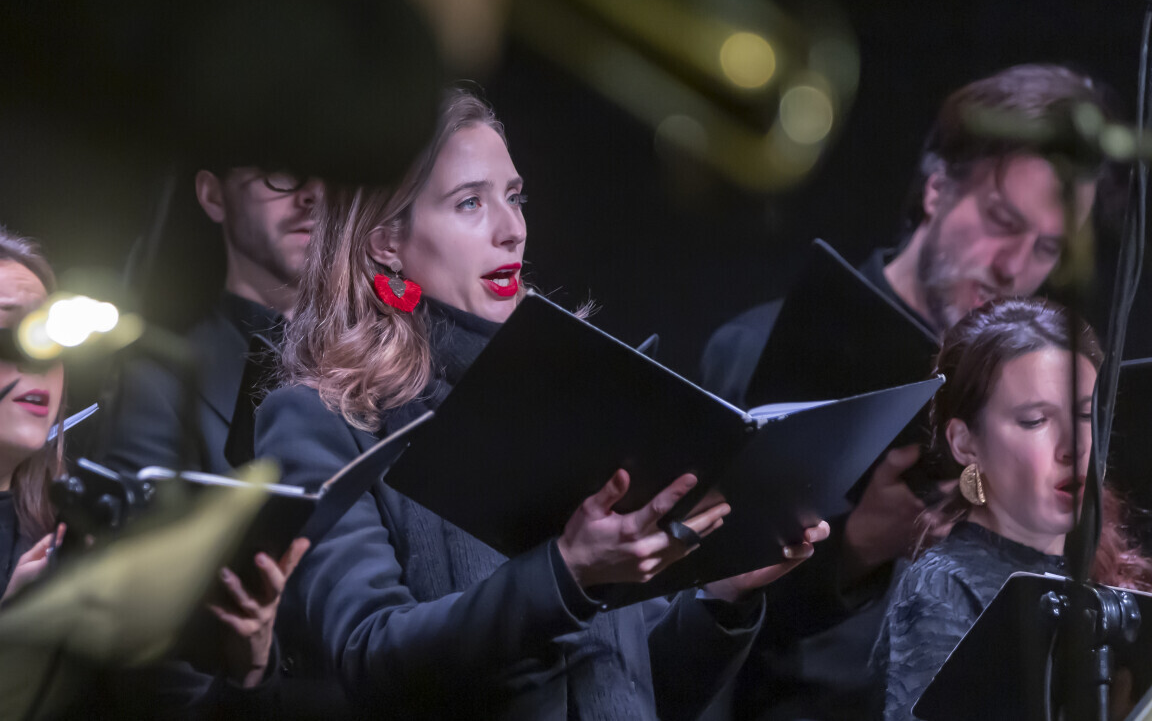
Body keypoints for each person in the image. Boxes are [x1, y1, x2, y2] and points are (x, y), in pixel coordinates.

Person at [255, 87, 830, 719]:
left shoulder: (580, 394)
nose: (512, 229)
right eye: (470, 202)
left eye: (514, 196)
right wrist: (567, 573)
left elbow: (636, 688)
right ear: (386, 242)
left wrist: (723, 594)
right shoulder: (321, 418)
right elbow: (372, 656)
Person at [699, 63, 1113, 720]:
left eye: (1046, 248)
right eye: (1001, 219)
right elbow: (679, 615)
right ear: (937, 188)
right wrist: (856, 547)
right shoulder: (760, 345)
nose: (1013, 266)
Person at [0, 218, 301, 714]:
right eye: (6, 333)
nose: (38, 357)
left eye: (50, 334)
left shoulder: (89, 524)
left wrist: (248, 668)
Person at [875, 298, 1152, 721]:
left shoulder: (1106, 569)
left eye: (1085, 415)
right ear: (965, 443)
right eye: (1035, 420)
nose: (1075, 447)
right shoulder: (942, 588)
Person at [103, 167, 324, 476]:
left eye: (333, 176)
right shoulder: (159, 385)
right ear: (213, 195)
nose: (315, 193)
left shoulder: (386, 355)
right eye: (282, 171)